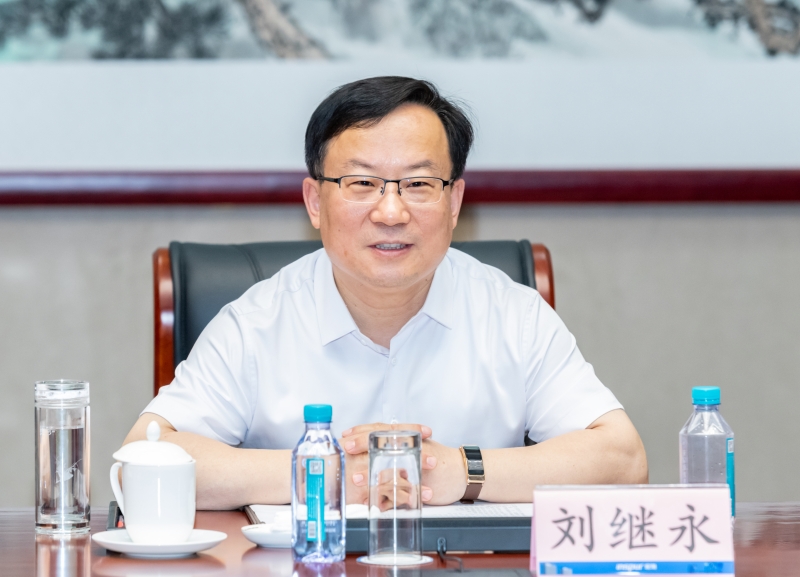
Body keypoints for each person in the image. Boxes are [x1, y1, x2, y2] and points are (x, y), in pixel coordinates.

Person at [123, 76, 648, 510]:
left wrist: (459, 471)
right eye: (361, 183)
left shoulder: (512, 314)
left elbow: (623, 460)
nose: (391, 212)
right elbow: (142, 460)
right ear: (315, 202)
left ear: (454, 202)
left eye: (418, 184)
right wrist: (327, 474)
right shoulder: (258, 321)